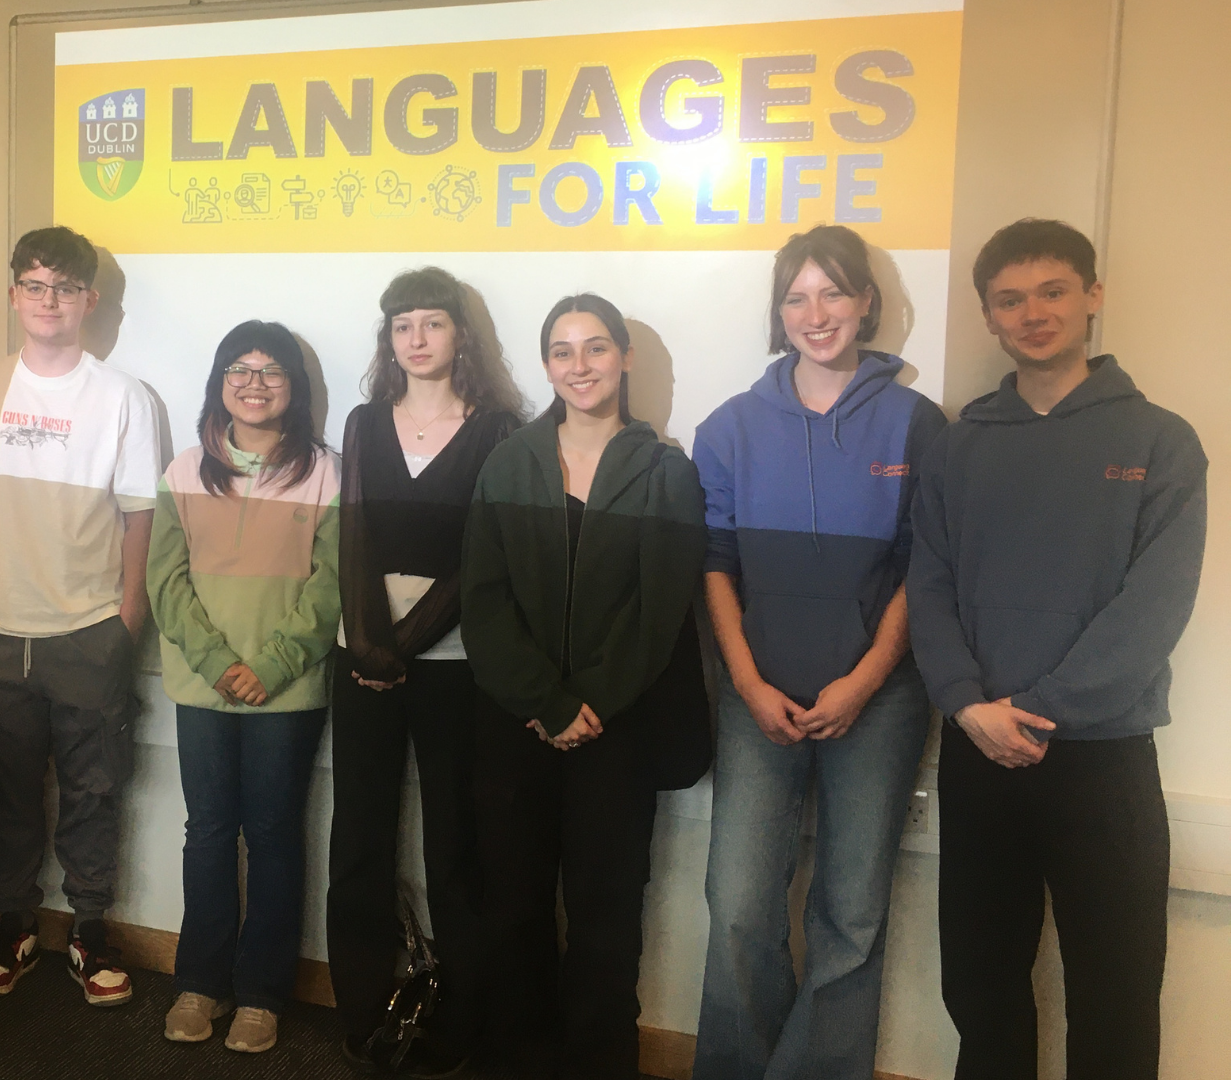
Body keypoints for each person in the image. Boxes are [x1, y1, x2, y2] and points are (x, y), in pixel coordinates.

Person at [907, 218, 1206, 1079]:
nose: (1032, 313)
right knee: (981, 980)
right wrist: (967, 703)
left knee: (1114, 991)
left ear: (1092, 298)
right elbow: (927, 584)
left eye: (1052, 291)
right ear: (989, 317)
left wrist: (1037, 710)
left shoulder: (1159, 440)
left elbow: (1154, 607)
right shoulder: (960, 443)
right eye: (1010, 299)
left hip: (1102, 756)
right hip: (979, 748)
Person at [690, 226, 947, 1080]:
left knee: (852, 912)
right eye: (797, 296)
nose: (816, 313)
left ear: (867, 301)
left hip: (878, 700)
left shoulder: (916, 422)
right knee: (737, 906)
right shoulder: (727, 428)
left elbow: (926, 567)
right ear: (779, 311)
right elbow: (716, 565)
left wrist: (865, 681)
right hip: (755, 693)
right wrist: (747, 680)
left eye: (833, 292)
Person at [462, 294, 707, 1079]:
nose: (580, 366)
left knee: (607, 919)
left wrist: (586, 703)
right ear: (546, 367)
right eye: (563, 352)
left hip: (617, 728)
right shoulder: (507, 462)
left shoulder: (667, 470)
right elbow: (483, 599)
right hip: (518, 725)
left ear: (625, 357)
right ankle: (518, 1060)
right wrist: (546, 701)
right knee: (515, 906)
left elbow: (659, 609)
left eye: (596, 348)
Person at [0, 225, 162, 1009]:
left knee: (95, 792)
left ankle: (90, 930)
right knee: (6, 791)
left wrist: (125, 622)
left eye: (65, 287)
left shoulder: (123, 397)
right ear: (14, 295)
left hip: (90, 631)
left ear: (90, 301)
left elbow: (141, 520)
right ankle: (13, 924)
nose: (49, 300)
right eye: (34, 285)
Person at [329, 266, 522, 1079]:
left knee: (456, 845)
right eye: (402, 324)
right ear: (390, 338)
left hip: (450, 662)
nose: (416, 338)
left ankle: (460, 1021)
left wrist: (400, 647)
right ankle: (363, 1012)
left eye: (432, 323)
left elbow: (482, 558)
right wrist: (368, 648)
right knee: (360, 840)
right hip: (360, 654)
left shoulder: (500, 430)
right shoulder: (366, 421)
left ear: (459, 335)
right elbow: (356, 537)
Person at [150, 321, 341, 1054]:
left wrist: (268, 668)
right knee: (207, 834)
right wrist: (217, 660)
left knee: (272, 834)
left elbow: (331, 589)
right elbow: (164, 582)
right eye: (240, 368)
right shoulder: (183, 472)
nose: (254, 383)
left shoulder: (329, 471)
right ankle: (200, 983)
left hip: (286, 692)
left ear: (294, 387)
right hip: (203, 688)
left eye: (271, 371)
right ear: (218, 381)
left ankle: (262, 993)